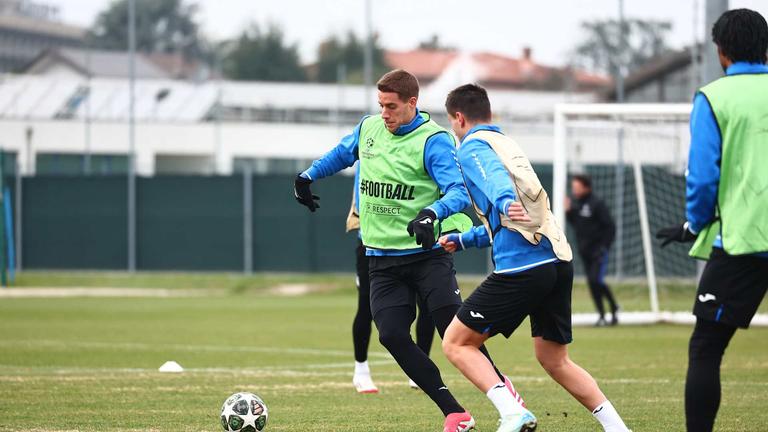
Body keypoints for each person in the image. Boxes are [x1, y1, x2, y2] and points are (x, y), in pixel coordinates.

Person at [294, 69, 522, 431]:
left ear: (412, 103)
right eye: (380, 105)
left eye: (392, 106)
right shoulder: (369, 128)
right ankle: (456, 413)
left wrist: (432, 214)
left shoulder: (434, 140)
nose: (384, 113)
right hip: (380, 260)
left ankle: (506, 398)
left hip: (426, 256)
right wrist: (308, 175)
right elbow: (342, 153)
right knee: (392, 335)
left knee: (455, 332)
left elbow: (459, 192)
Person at [439, 84, 630, 432]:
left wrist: (501, 198)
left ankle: (512, 412)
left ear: (460, 118)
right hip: (557, 261)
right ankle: (618, 428)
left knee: (455, 342)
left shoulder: (473, 146)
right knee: (554, 359)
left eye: (452, 122)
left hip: (523, 268)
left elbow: (497, 185)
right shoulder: (509, 145)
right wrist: (464, 240)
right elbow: (509, 222)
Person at [655, 8, 768, 432]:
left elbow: (703, 178)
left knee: (706, 348)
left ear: (721, 52)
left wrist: (693, 223)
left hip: (744, 241)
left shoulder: (713, 98)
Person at [345, 179, 436, 393]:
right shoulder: (364, 148)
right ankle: (361, 371)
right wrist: (309, 176)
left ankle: (420, 370)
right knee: (366, 306)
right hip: (375, 242)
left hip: (417, 238)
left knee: (427, 305)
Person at [566, 174, 619, 326]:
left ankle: (613, 308)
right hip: (585, 252)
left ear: (586, 187)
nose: (574, 190)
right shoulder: (578, 204)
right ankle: (602, 315)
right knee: (592, 282)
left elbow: (610, 226)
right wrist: (568, 212)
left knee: (597, 280)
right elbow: (577, 224)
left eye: (577, 187)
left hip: (598, 252)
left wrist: (604, 247)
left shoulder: (597, 203)